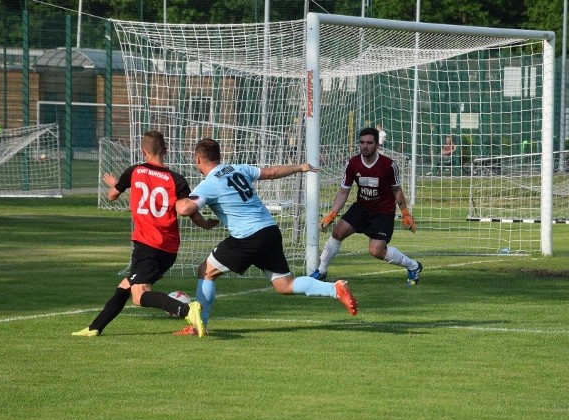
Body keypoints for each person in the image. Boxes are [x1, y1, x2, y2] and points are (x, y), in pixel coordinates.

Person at [174, 138, 358, 337]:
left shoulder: (209, 184)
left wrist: (175, 200)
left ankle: (198, 326)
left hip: (247, 237)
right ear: (219, 156)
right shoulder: (238, 168)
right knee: (284, 285)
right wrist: (299, 167)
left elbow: (185, 209)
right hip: (270, 231)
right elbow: (271, 173)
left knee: (206, 271)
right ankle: (335, 288)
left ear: (198, 159)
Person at [72, 130, 217, 337]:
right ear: (165, 151)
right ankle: (95, 327)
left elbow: (112, 196)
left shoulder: (134, 172)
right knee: (124, 286)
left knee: (139, 297)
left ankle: (187, 310)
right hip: (168, 247)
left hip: (147, 245)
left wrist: (116, 184)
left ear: (143, 151)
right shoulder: (176, 179)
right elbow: (190, 211)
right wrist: (204, 225)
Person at [310, 126, 422, 286]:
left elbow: (396, 189)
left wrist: (405, 213)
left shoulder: (389, 165)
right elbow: (343, 192)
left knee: (376, 250)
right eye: (362, 142)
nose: (365, 146)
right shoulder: (352, 164)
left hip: (383, 212)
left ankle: (413, 266)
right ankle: (321, 271)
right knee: (337, 232)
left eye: (369, 143)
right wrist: (332, 214)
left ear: (377, 145)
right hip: (362, 208)